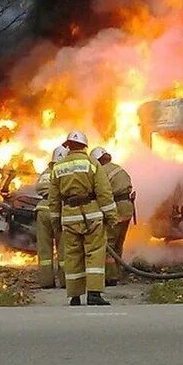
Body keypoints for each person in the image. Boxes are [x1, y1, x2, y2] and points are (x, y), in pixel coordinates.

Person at [49, 130, 117, 306]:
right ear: (85, 146)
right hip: (92, 216)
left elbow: (54, 199)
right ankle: (94, 294)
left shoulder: (58, 167)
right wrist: (110, 216)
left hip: (69, 218)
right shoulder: (92, 163)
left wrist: (55, 221)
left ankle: (75, 296)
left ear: (68, 146)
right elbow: (104, 192)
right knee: (94, 253)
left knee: (72, 255)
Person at [90, 146, 135, 286]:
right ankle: (118, 272)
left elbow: (100, 192)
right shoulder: (118, 168)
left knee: (107, 243)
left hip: (116, 209)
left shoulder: (101, 171)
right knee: (118, 243)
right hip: (128, 208)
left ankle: (110, 277)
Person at [34, 145, 69, 289]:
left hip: (42, 210)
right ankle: (66, 281)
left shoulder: (46, 172)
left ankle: (46, 282)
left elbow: (39, 188)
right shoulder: (66, 171)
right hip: (58, 210)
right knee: (63, 247)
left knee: (44, 250)